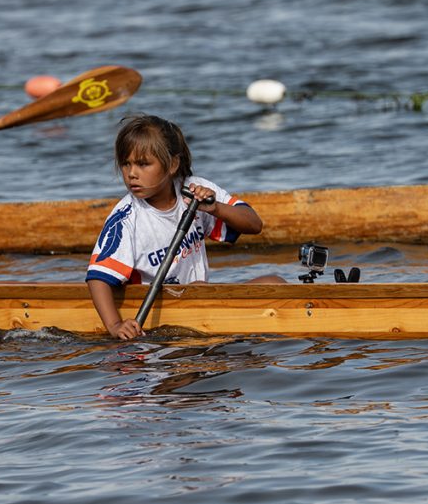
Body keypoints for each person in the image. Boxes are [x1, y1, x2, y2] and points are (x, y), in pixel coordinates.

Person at [86, 115, 284, 340]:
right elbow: (98, 278)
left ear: (172, 165)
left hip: (198, 300)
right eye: (126, 164)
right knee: (199, 291)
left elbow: (253, 224)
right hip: (157, 313)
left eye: (143, 164)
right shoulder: (126, 219)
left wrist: (215, 209)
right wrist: (114, 325)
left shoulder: (195, 190)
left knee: (274, 283)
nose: (132, 173)